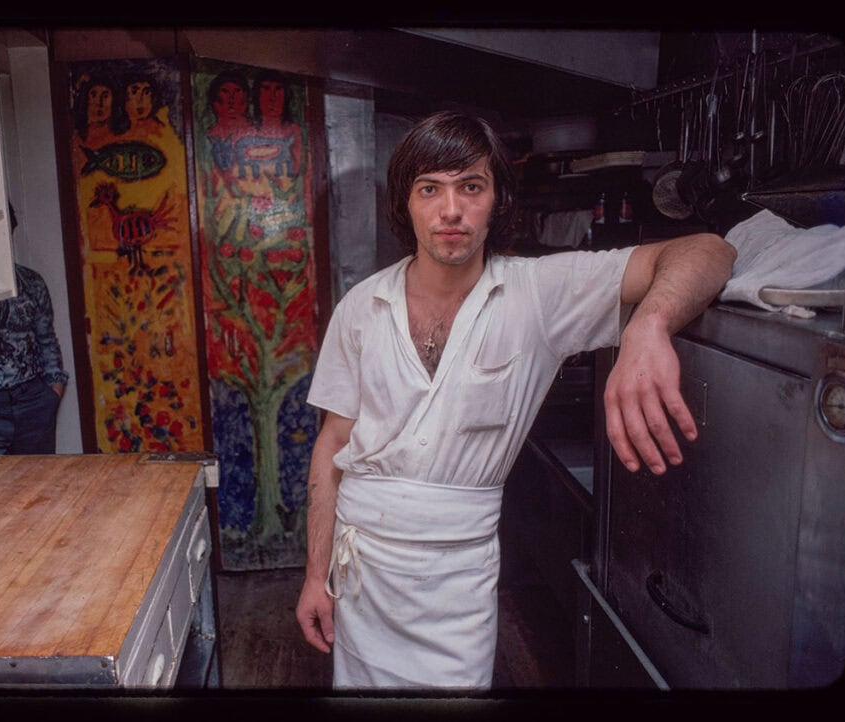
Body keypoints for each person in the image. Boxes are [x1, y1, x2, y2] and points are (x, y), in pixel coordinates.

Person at [294, 110, 736, 690]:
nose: (451, 210)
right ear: (406, 202)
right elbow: (333, 444)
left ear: (497, 200)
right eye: (430, 189)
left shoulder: (538, 294)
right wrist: (314, 573)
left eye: (470, 187)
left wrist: (647, 327)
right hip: (361, 571)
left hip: (457, 578)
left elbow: (709, 250)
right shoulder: (360, 306)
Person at [0, 207, 69, 455]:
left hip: (34, 398)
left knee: (41, 481)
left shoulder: (32, 281)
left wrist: (53, 390)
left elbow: (47, 338)